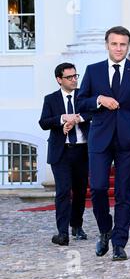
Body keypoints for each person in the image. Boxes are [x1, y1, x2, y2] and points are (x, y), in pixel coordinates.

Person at [77, 26, 130, 261]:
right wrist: (99, 99)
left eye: (123, 44)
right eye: (114, 44)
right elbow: (81, 103)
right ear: (107, 45)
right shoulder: (93, 71)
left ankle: (119, 243)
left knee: (124, 193)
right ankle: (105, 230)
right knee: (98, 187)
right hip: (100, 138)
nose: (119, 48)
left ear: (128, 46)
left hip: (129, 141)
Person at [39, 63, 92, 246]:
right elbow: (44, 122)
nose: (74, 79)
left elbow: (92, 113)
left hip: (82, 150)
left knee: (79, 190)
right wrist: (62, 118)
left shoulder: (83, 96)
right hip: (61, 152)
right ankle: (62, 233)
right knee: (63, 191)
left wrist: (77, 118)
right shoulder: (51, 99)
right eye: (69, 77)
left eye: (75, 76)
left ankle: (76, 225)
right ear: (59, 80)